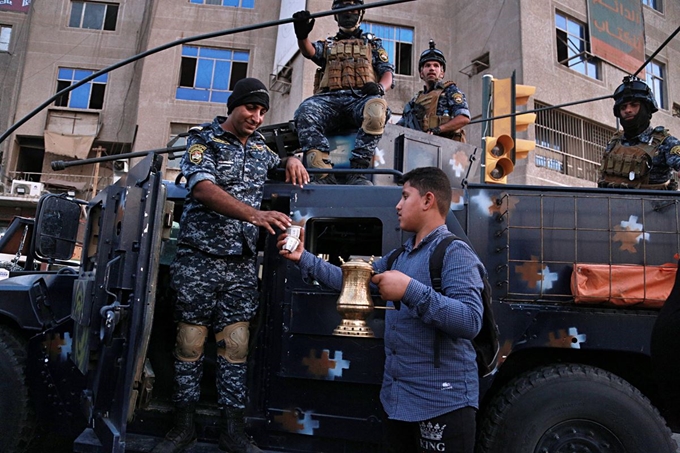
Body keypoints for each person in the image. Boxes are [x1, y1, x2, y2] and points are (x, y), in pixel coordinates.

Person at [278, 167, 485, 453]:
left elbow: (470, 321)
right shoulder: (400, 256)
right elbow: (351, 281)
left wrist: (409, 290)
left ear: (427, 200)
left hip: (442, 405)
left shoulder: (454, 253)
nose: (397, 205)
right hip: (397, 403)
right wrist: (304, 258)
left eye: (404, 196)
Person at [153, 78, 308, 453]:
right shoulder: (202, 140)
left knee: (235, 346)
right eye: (250, 108)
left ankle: (232, 429)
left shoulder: (259, 148)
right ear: (233, 106)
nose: (256, 117)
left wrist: (290, 159)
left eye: (261, 111)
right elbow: (202, 188)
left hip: (239, 265)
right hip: (198, 260)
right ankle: (183, 426)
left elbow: (278, 161)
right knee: (190, 342)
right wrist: (255, 215)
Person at [292, 0, 394, 185]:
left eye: (353, 9)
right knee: (305, 111)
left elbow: (387, 72)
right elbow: (310, 51)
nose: (349, 14)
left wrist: (379, 88)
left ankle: (357, 171)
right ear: (336, 15)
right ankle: (322, 173)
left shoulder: (373, 45)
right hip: (329, 101)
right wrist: (301, 35)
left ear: (360, 13)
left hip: (359, 100)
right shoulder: (328, 44)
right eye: (344, 9)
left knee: (377, 109)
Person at [598, 76, 680, 190]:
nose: (628, 110)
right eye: (623, 107)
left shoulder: (665, 143)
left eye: (634, 105)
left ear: (646, 109)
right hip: (611, 205)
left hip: (652, 206)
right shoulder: (614, 143)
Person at [397, 40, 470, 143]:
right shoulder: (415, 101)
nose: (432, 68)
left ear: (442, 73)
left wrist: (439, 129)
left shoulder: (450, 91)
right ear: (421, 73)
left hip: (447, 147)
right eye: (427, 65)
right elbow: (400, 126)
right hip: (420, 147)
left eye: (436, 66)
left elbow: (464, 118)